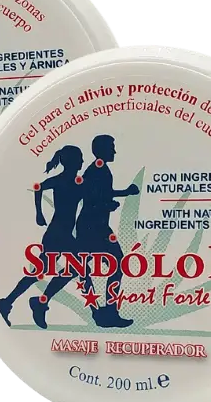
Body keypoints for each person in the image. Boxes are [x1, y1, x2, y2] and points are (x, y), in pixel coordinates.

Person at [28, 135, 139, 329]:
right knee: (109, 265)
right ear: (101, 150)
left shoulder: (100, 169)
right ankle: (107, 313)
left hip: (97, 227)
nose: (114, 151)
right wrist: (106, 205)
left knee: (78, 268)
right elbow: (91, 199)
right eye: (111, 147)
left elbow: (102, 193)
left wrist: (124, 192)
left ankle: (43, 302)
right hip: (92, 228)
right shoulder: (95, 170)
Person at [0, 146, 83, 329]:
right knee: (69, 268)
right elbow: (39, 187)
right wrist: (39, 213)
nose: (83, 161)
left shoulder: (76, 182)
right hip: (57, 234)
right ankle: (34, 302)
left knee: (50, 270)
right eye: (80, 158)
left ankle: (14, 302)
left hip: (63, 234)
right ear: (73, 162)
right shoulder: (62, 180)